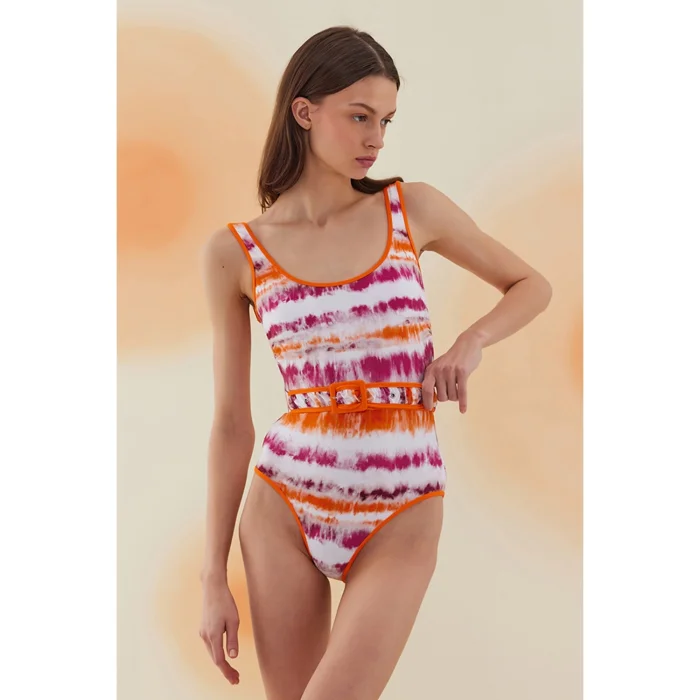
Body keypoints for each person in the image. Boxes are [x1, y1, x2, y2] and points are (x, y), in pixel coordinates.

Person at [198, 25, 552, 700]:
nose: (376, 139)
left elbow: (531, 284)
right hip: (282, 506)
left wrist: (470, 342)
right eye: (360, 117)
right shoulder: (235, 251)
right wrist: (213, 578)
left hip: (403, 505)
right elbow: (230, 424)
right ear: (305, 112)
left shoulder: (411, 209)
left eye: (385, 121)